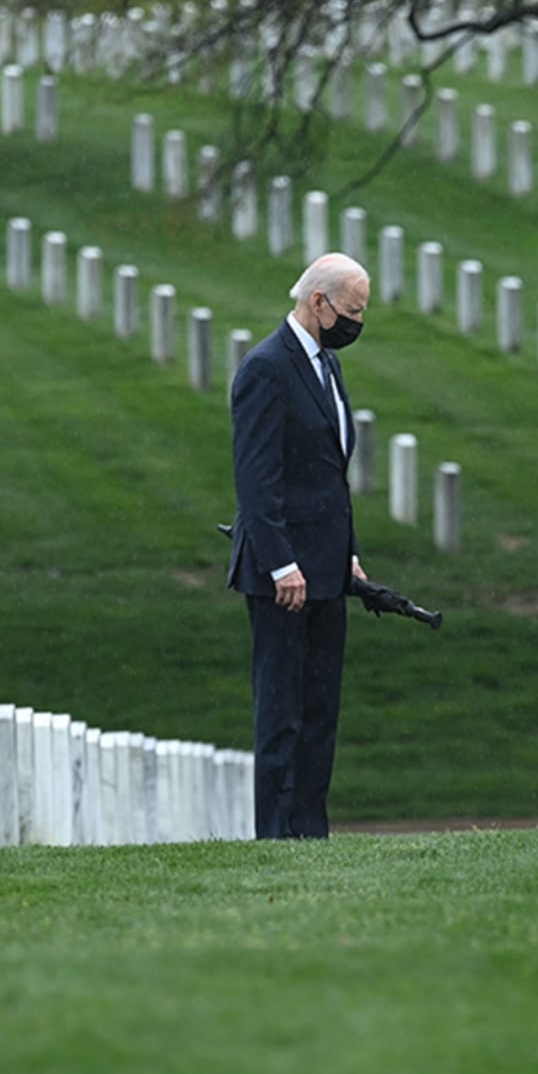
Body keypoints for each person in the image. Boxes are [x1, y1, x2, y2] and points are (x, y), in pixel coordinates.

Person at [227, 252, 371, 839]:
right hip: (283, 577)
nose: (357, 323)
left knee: (319, 713)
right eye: (352, 311)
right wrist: (282, 562)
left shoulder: (325, 366)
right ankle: (278, 835)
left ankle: (311, 832)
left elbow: (326, 475)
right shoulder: (267, 367)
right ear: (319, 303)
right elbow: (257, 479)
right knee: (282, 714)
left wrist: (347, 554)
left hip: (326, 571)